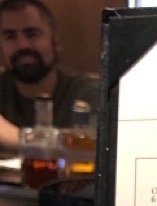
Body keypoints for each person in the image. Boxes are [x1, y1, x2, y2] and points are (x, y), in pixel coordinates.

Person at [0, 0, 97, 150]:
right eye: (10, 36)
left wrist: (17, 138)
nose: (22, 45)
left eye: (32, 34)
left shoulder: (88, 95)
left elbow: (99, 149)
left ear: (55, 41)